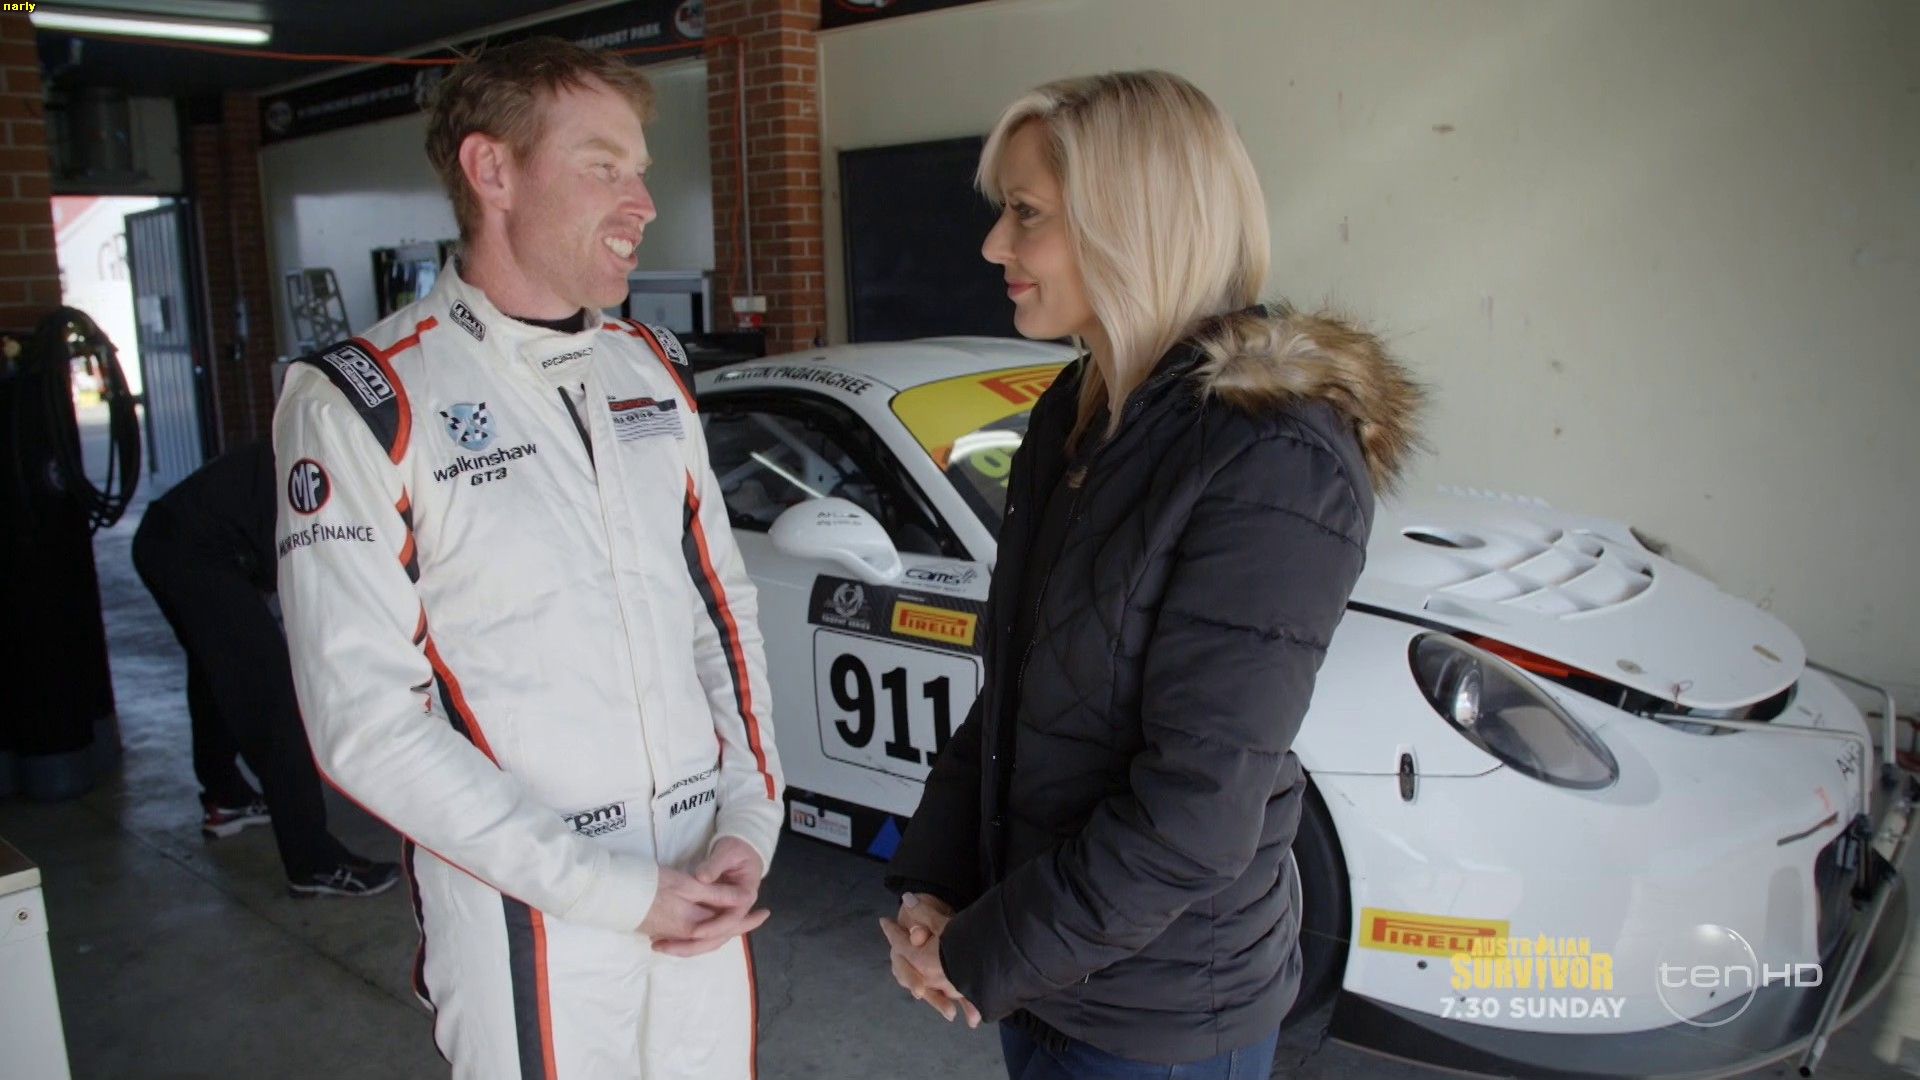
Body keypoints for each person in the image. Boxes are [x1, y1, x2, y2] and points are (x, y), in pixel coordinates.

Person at [879, 71, 1423, 1079]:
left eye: (1026, 213)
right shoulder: (1077, 413)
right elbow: (1018, 699)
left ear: (1133, 224)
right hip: (1048, 977)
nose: (994, 246)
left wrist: (980, 952)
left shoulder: (1272, 455)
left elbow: (1194, 814)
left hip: (1159, 1019)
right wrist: (936, 889)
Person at [272, 38, 783, 1078]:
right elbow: (365, 720)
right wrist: (609, 890)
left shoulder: (649, 367)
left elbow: (719, 614)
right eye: (604, 167)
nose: (643, 203)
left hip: (706, 886)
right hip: (532, 918)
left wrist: (750, 819)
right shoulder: (364, 400)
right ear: (492, 170)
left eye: (639, 170)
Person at [131, 439, 400, 897]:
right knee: (273, 699)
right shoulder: (336, 476)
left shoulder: (338, 450)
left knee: (217, 671)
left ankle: (226, 796)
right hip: (194, 550)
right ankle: (313, 863)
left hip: (171, 535)